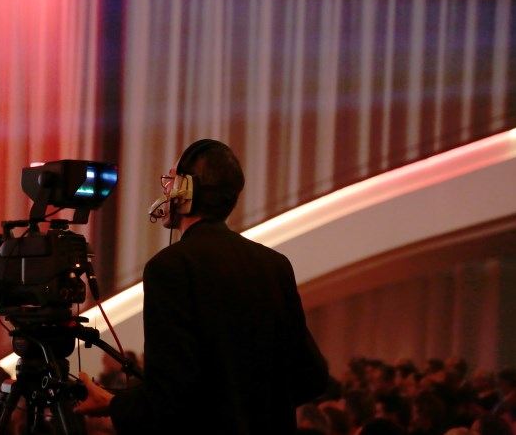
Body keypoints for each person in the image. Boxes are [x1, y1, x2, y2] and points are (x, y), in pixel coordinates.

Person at [74, 139, 329, 434]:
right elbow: (312, 377)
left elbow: (172, 395)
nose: (166, 190)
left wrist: (114, 404)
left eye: (172, 181)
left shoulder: (169, 268)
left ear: (186, 192)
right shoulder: (276, 265)